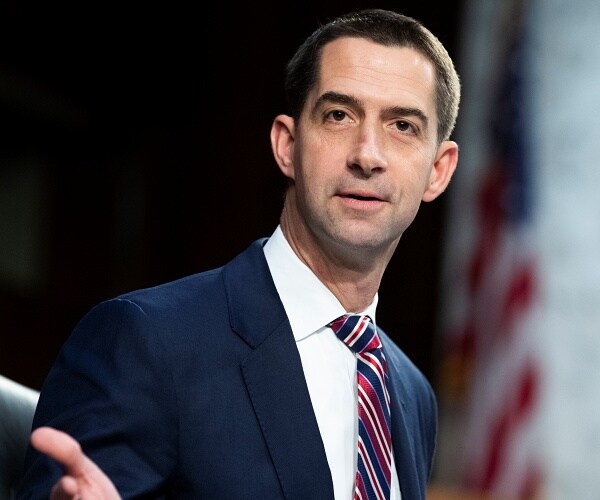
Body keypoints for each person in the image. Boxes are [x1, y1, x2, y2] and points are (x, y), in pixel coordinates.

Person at [17, 8, 460, 500]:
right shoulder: (146, 341)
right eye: (339, 115)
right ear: (287, 145)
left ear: (438, 171)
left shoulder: (412, 393)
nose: (367, 155)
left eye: (402, 126)